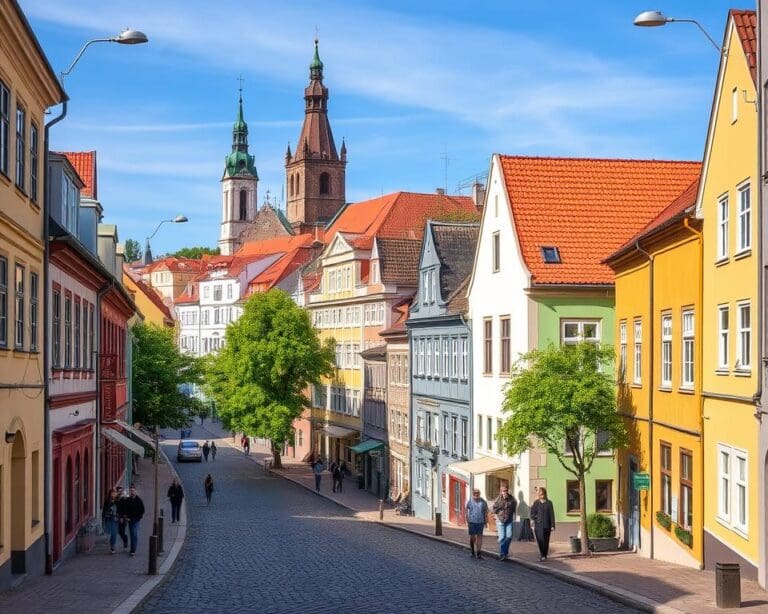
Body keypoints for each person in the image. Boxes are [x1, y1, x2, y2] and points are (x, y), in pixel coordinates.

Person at [492, 485, 517, 561]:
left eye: (506, 490)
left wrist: (514, 517)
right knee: (502, 537)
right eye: (503, 491)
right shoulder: (498, 499)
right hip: (500, 520)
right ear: (501, 491)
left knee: (509, 536)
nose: (505, 492)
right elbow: (494, 510)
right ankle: (503, 554)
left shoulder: (511, 498)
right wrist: (503, 503)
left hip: (509, 520)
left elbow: (514, 507)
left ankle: (504, 553)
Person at [530, 487, 556, 561]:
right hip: (538, 525)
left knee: (546, 541)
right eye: (540, 494)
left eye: (542, 494)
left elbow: (552, 514)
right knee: (540, 540)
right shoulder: (536, 503)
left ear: (545, 494)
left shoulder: (549, 503)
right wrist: (535, 517)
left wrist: (553, 525)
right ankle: (542, 555)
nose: (541, 496)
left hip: (547, 525)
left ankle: (545, 555)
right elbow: (532, 513)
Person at [465, 489, 489, 560]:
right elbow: (466, 510)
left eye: (478, 493)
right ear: (473, 494)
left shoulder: (483, 502)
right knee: (473, 538)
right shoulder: (470, 501)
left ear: (479, 494)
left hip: (480, 522)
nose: (476, 494)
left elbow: (485, 512)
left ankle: (478, 553)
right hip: (472, 522)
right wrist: (467, 519)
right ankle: (472, 550)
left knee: (479, 537)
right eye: (475, 493)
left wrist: (486, 522)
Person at [123, 485, 145, 557]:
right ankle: (132, 549)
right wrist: (126, 516)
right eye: (131, 491)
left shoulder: (139, 500)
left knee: (134, 534)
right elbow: (125, 509)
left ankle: (133, 550)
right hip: (130, 520)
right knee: (132, 534)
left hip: (136, 520)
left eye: (133, 491)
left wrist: (139, 517)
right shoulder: (127, 500)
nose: (132, 492)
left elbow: (142, 510)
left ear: (136, 491)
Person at [102, 488, 120, 554]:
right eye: (112, 493)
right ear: (110, 494)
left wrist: (119, 517)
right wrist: (103, 518)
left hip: (115, 519)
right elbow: (104, 510)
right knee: (109, 532)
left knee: (114, 533)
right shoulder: (107, 501)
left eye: (115, 493)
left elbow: (121, 510)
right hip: (109, 518)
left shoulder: (118, 501)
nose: (114, 494)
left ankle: (112, 546)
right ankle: (111, 544)